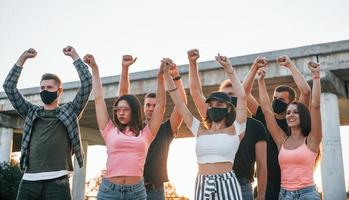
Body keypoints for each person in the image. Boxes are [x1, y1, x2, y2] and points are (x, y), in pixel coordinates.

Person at [3, 46, 92, 200]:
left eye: (49, 87)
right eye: (42, 87)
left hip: (58, 182)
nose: (45, 90)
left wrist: (75, 57)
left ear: (59, 91)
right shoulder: (31, 111)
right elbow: (9, 87)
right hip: (29, 180)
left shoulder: (69, 111)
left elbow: (87, 84)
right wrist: (23, 58)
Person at [187, 49, 268, 200]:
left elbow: (262, 165)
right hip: (209, 182)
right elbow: (196, 93)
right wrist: (192, 63)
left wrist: (261, 195)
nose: (228, 99)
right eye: (224, 97)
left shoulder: (254, 125)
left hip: (242, 186)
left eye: (231, 95)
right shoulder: (212, 119)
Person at [163, 55, 247, 200]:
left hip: (226, 182)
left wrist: (229, 70)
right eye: (211, 105)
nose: (214, 107)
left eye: (219, 105)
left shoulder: (235, 130)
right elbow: (180, 103)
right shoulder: (200, 130)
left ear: (228, 108)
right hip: (202, 182)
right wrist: (166, 75)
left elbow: (242, 97)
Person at [85, 54, 165, 200]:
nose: (120, 112)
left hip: (136, 192)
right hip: (109, 191)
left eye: (125, 109)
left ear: (134, 110)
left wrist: (160, 77)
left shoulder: (145, 133)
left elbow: (160, 106)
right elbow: (98, 98)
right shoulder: (109, 130)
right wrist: (95, 69)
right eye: (117, 109)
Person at [116, 55, 187, 200]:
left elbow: (182, 105)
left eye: (155, 105)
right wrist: (125, 68)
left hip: (155, 191)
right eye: (148, 105)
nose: (151, 108)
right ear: (143, 108)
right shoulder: (133, 128)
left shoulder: (166, 129)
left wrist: (175, 76)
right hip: (131, 189)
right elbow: (123, 96)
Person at [242, 55, 311, 200]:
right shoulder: (264, 117)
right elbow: (243, 95)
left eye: (281, 99)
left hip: (292, 183)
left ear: (292, 102)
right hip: (267, 184)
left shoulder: (296, 122)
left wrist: (291, 66)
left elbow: (306, 92)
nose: (276, 102)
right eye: (274, 98)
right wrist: (257, 74)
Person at [257, 60, 322, 199]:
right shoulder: (282, 140)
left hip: (307, 194)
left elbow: (315, 105)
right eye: (288, 113)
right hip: (284, 194)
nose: (291, 115)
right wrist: (260, 81)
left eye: (295, 112)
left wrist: (316, 76)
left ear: (303, 115)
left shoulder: (311, 140)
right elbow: (267, 110)